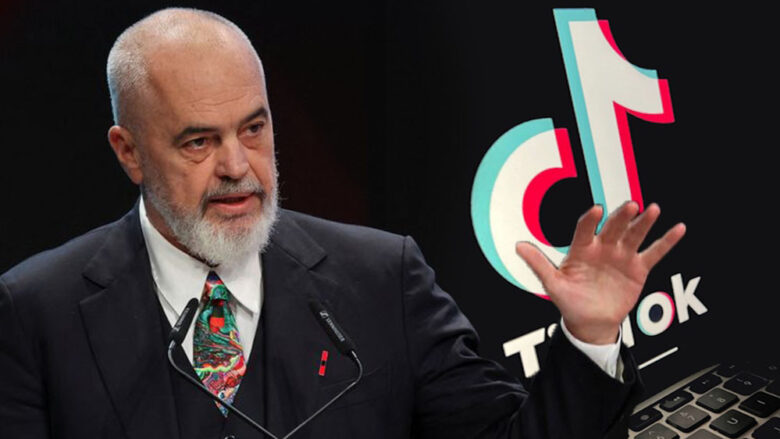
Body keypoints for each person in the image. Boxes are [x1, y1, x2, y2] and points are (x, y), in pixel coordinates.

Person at [0, 7, 686, 439]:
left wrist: (590, 335)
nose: (238, 167)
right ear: (129, 152)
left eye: (254, 128)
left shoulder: (383, 278)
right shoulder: (35, 311)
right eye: (199, 142)